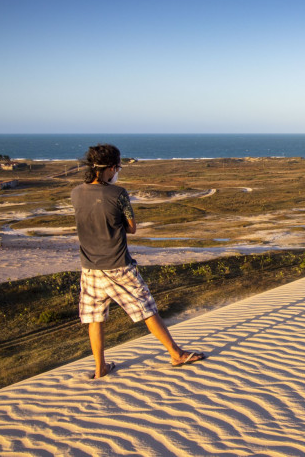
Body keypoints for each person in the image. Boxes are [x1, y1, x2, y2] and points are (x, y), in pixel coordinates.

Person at [71, 144, 205, 379]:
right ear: (111, 167)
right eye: (117, 167)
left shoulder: (76, 193)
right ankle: (176, 354)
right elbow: (131, 228)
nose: (117, 172)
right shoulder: (118, 194)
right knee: (147, 310)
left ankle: (100, 367)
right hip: (118, 265)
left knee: (95, 318)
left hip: (89, 267)